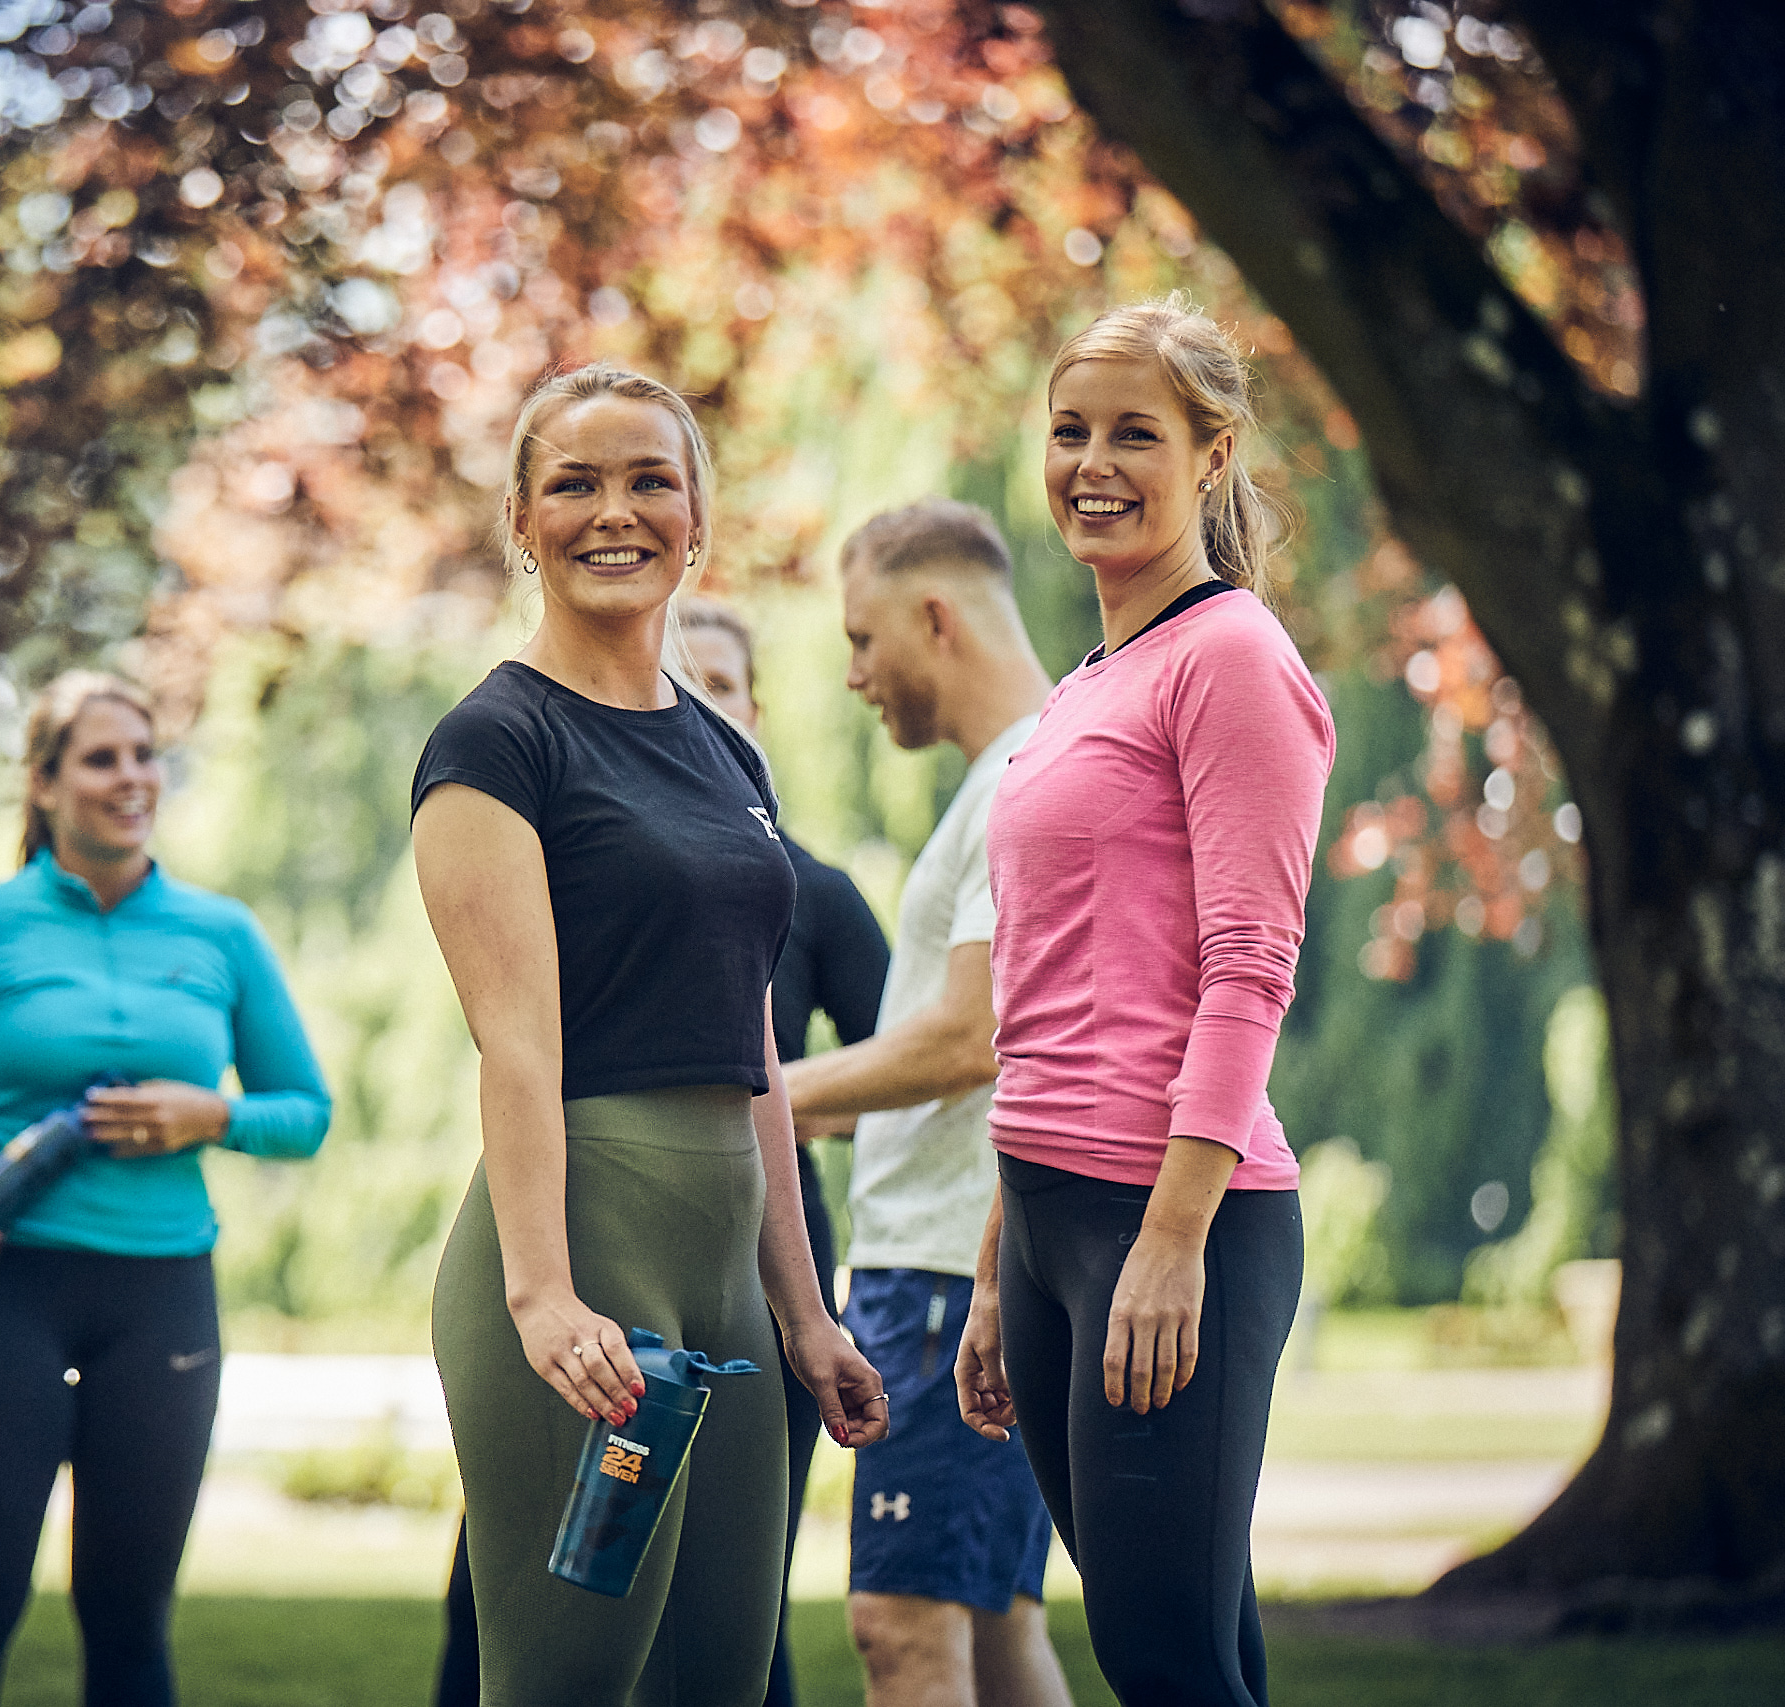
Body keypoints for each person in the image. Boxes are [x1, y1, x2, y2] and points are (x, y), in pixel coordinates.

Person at [412, 363, 887, 1707]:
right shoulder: (498, 742)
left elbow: (755, 1061)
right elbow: (518, 1048)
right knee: (566, 1679)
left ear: (698, 518)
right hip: (588, 1264)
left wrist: (807, 1313)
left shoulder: (730, 759)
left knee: (724, 1680)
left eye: (647, 480)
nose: (612, 512)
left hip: (731, 1271)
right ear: (522, 518)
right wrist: (544, 1293)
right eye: (573, 481)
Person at [954, 297, 1333, 1707]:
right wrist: (1001, 1261)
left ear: (1212, 452)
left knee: (1161, 1653)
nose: (1092, 463)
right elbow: (1041, 995)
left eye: (1135, 432)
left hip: (1178, 1222)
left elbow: (1251, 969)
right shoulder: (1087, 685)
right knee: (1186, 1645)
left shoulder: (1232, 658)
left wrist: (1171, 1241)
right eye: (1069, 431)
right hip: (1053, 1215)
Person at [0, 670, 331, 1707]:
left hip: (161, 1298)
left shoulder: (220, 934)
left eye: (143, 755)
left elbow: (305, 1109)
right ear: (43, 782)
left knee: (128, 1621)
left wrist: (213, 1116)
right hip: (3, 1292)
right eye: (101, 758)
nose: (131, 779)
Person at [781, 502, 1073, 1707]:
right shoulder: (1025, 770)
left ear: (933, 616)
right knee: (997, 1634)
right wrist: (819, 1107)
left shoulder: (1021, 779)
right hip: (969, 1264)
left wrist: (749, 1100)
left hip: (950, 1280)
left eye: (862, 639)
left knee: (901, 1630)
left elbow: (971, 1034)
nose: (854, 675)